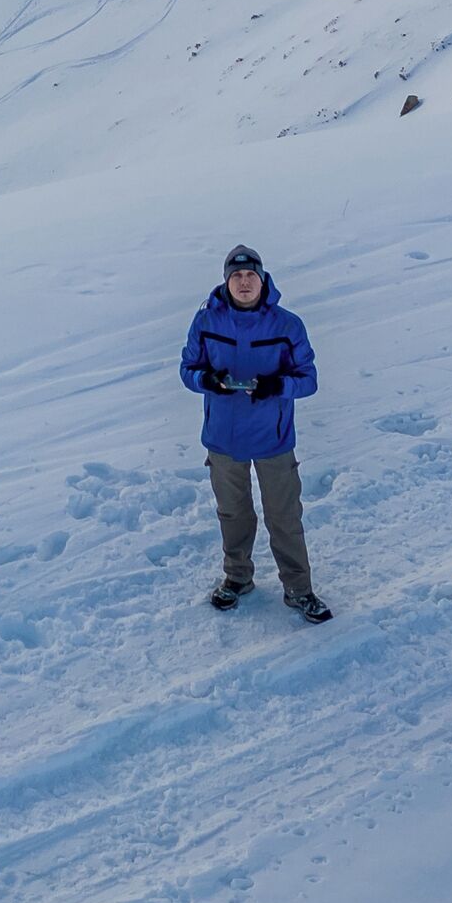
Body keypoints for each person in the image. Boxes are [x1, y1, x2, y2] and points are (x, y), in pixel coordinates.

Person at [180, 242, 327, 621]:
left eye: (250, 275)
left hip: (273, 439)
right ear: (226, 281)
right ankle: (237, 578)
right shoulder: (207, 321)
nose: (244, 282)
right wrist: (207, 380)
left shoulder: (287, 325)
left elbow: (308, 379)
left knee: (284, 516)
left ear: (262, 280)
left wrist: (277, 386)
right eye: (236, 275)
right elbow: (187, 370)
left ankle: (299, 589)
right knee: (234, 514)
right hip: (223, 439)